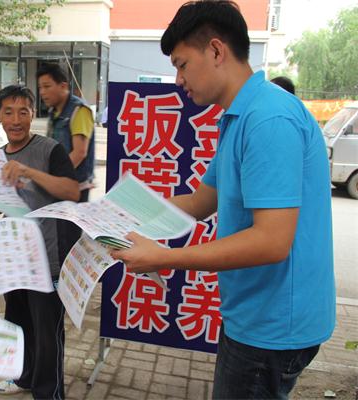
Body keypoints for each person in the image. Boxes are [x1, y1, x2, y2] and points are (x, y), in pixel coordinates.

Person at [111, 1, 334, 399]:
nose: (178, 80)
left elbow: (271, 241)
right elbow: (201, 201)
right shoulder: (240, 116)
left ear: (216, 50)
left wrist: (165, 258)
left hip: (271, 325)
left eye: (182, 64)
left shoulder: (268, 119)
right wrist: (121, 213)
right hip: (253, 312)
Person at [0, 85, 79, 399]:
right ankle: (25, 377)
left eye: (23, 112)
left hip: (47, 259)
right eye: (9, 112)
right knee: (18, 323)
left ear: (33, 115)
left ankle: (49, 393)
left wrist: (28, 172)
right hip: (13, 257)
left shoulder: (50, 149)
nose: (16, 120)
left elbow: (72, 191)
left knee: (47, 333)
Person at [37, 63, 96, 262]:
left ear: (63, 86)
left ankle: (67, 279)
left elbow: (79, 153)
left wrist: (50, 177)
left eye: (47, 86)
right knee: (56, 241)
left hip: (74, 189)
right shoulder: (54, 113)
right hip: (57, 187)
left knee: (68, 243)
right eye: (40, 87)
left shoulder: (79, 111)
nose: (42, 92)